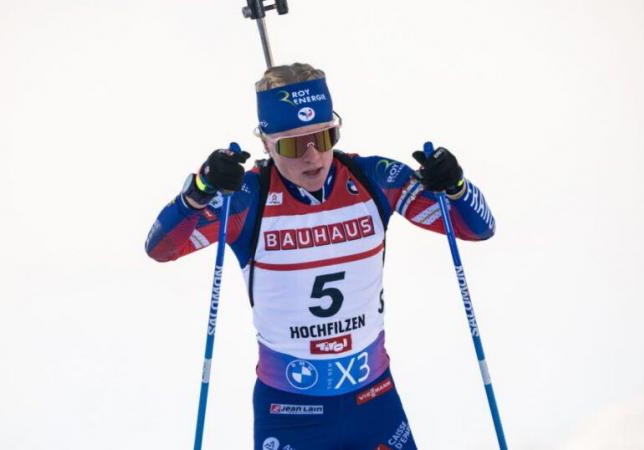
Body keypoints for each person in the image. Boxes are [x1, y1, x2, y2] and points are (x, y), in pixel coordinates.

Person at [145, 63, 495, 450]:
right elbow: (161, 248)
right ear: (265, 142)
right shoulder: (245, 198)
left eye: (324, 137)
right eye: (294, 145)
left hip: (374, 401)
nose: (312, 156)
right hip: (290, 411)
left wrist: (455, 185)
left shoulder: (374, 178)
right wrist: (199, 190)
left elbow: (477, 227)